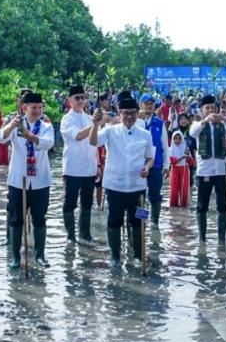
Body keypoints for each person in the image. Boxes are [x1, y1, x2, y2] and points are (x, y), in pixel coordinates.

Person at [89, 91, 155, 268]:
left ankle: (139, 255)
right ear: (119, 114)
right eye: (125, 113)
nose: (128, 116)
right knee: (114, 221)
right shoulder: (110, 131)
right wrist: (95, 125)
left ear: (137, 113)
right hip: (115, 186)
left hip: (138, 188)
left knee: (139, 221)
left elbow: (150, 157)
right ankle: (115, 256)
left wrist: (147, 167)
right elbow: (93, 142)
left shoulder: (145, 134)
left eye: (132, 113)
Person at [0, 92, 55, 268]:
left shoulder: (46, 126)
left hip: (40, 181)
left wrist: (27, 134)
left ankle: (40, 255)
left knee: (39, 218)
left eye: (39, 107)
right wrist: (11, 126)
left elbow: (47, 143)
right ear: (24, 108)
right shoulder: (16, 124)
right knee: (16, 219)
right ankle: (15, 257)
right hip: (18, 181)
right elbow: (0, 138)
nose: (37, 111)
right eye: (33, 107)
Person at [189, 94, 226, 243]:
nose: (210, 110)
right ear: (202, 110)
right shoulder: (198, 124)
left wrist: (224, 118)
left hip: (222, 170)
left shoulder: (222, 124)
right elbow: (192, 133)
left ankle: (221, 238)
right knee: (202, 205)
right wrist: (204, 121)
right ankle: (202, 238)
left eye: (212, 107)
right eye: (207, 108)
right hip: (204, 170)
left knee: (222, 205)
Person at [60, 84, 98, 242]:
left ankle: (85, 233)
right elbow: (78, 136)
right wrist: (95, 124)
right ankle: (70, 235)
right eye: (77, 98)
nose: (81, 100)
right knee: (70, 203)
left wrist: (99, 165)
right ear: (70, 100)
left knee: (87, 203)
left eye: (83, 97)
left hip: (89, 168)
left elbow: (95, 142)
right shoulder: (66, 119)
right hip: (73, 168)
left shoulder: (89, 118)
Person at [139, 94, 170, 227]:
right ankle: (141, 221)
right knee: (140, 195)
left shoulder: (159, 123)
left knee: (155, 196)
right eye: (146, 103)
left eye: (151, 103)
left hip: (156, 164)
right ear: (141, 105)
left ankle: (154, 223)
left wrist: (166, 165)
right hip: (139, 164)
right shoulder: (136, 122)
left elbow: (165, 145)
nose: (149, 106)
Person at [168, 131, 195, 207]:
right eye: (175, 139)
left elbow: (191, 162)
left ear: (182, 139)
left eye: (179, 139)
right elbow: (172, 162)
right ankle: (173, 208)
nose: (177, 141)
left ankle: (184, 208)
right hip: (174, 170)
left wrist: (188, 157)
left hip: (184, 169)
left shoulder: (186, 148)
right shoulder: (170, 149)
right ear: (173, 139)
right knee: (174, 189)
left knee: (184, 190)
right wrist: (182, 157)